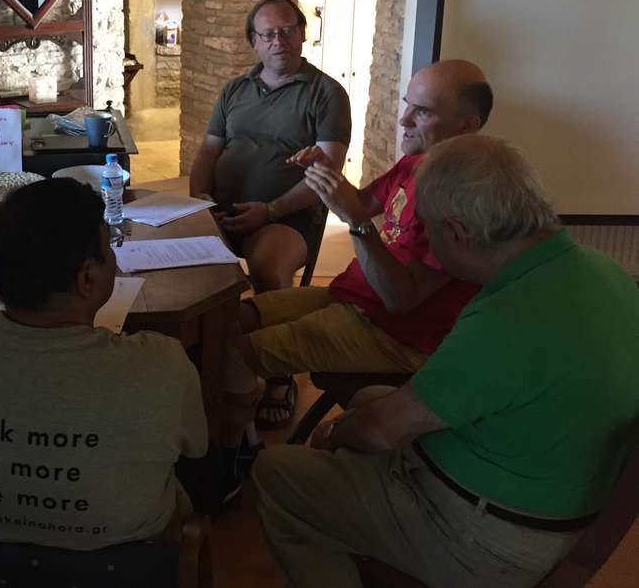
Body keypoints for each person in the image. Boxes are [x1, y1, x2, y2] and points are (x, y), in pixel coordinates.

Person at [250, 135, 639, 588]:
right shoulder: (607, 272)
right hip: (557, 497)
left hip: (490, 537)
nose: (425, 248)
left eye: (427, 234)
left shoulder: (503, 320)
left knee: (276, 474)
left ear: (455, 233)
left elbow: (381, 430)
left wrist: (335, 433)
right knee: (369, 397)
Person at [219, 59, 492, 467]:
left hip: (395, 334)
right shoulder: (417, 163)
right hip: (355, 299)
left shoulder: (463, 197)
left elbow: (401, 299)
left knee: (233, 357)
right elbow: (361, 202)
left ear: (467, 125)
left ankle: (224, 466)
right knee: (229, 320)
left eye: (422, 112)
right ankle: (238, 438)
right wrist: (324, 173)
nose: (403, 119)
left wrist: (356, 222)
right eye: (407, 105)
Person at [0, 178, 207, 550]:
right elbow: (196, 449)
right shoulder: (161, 363)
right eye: (110, 248)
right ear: (88, 277)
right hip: (124, 568)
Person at [189, 0, 352, 294]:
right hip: (219, 213)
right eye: (268, 34)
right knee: (181, 263)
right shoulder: (235, 89)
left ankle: (272, 326)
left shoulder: (327, 93)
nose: (279, 41)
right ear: (254, 41)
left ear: (302, 33)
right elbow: (208, 151)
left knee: (267, 268)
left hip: (285, 219)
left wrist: (269, 211)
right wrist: (200, 199)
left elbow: (328, 172)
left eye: (287, 31)